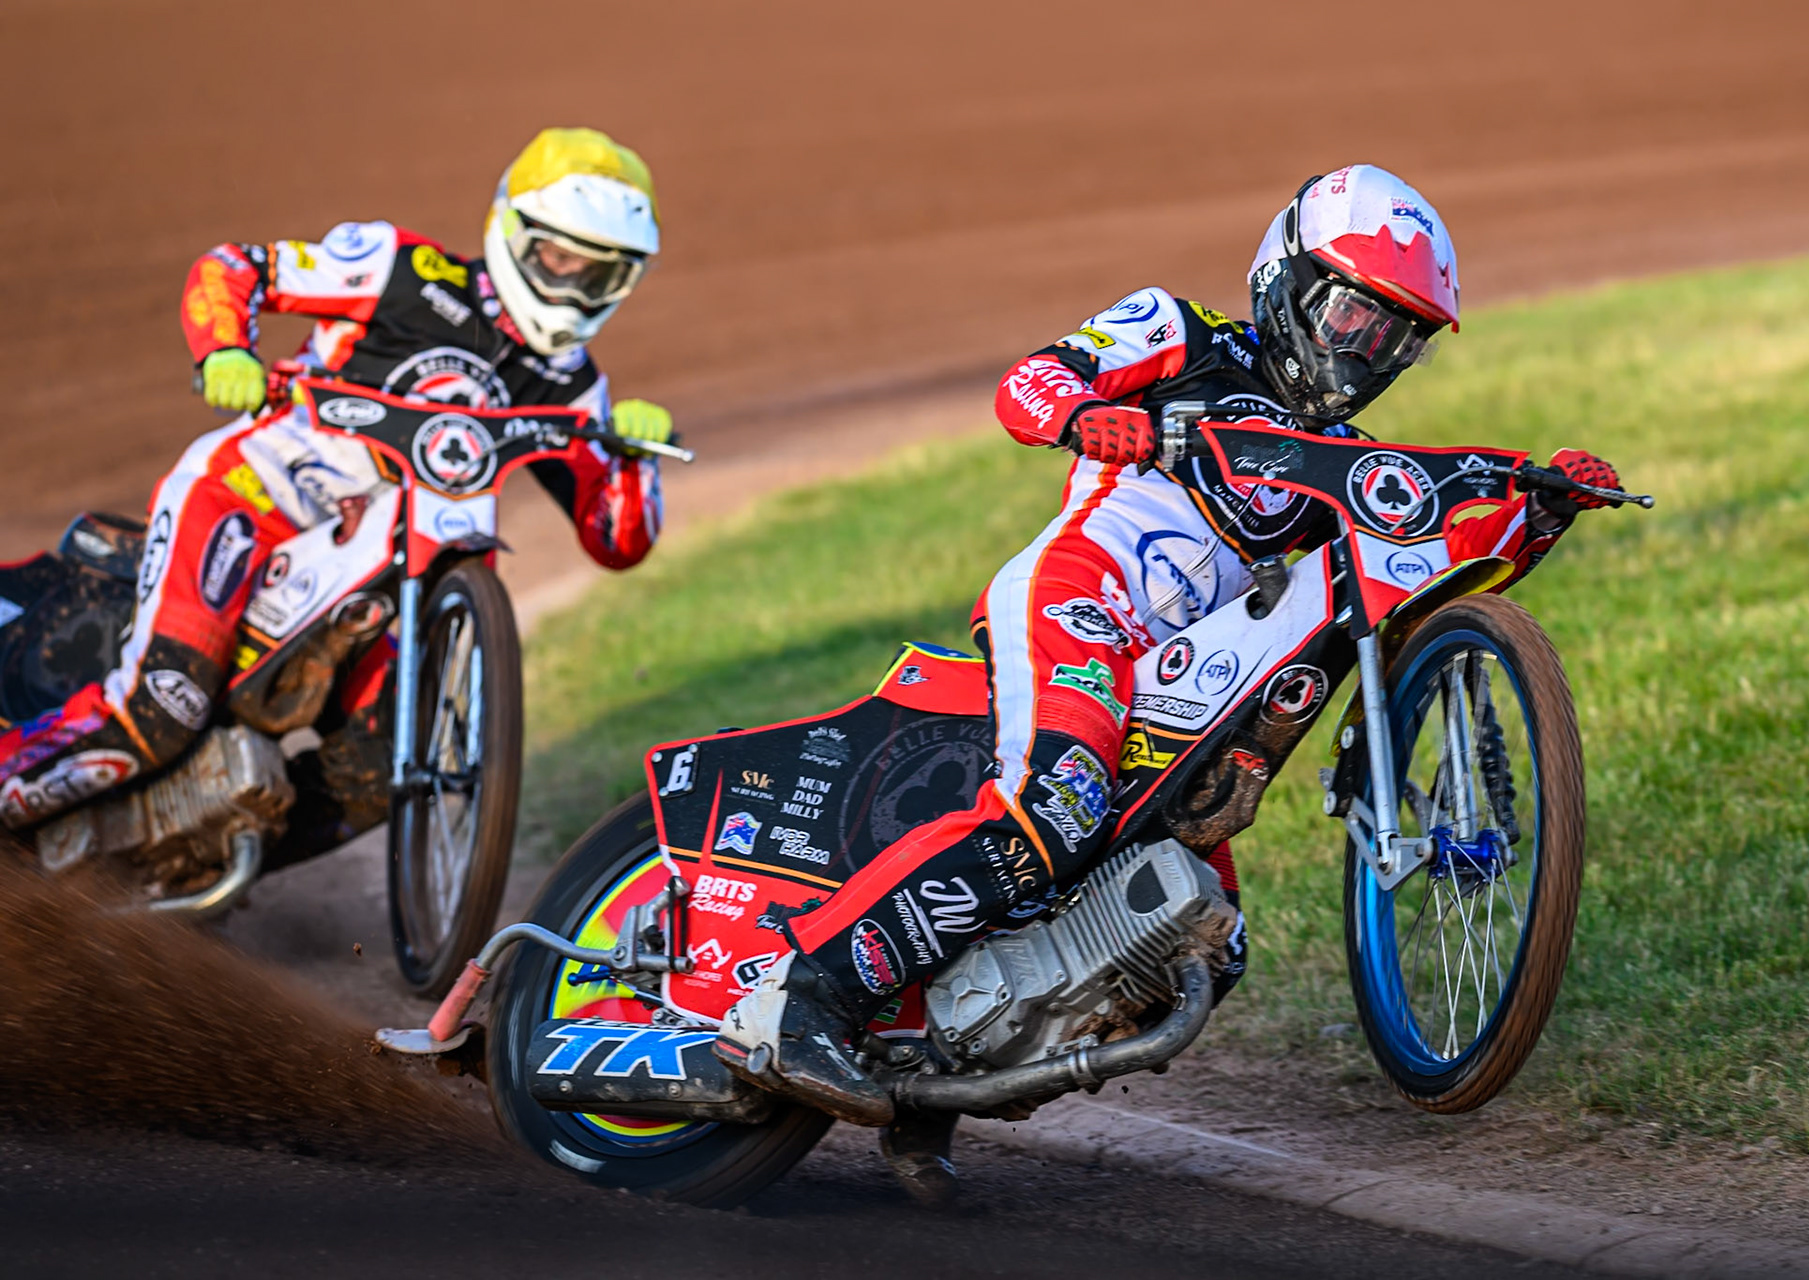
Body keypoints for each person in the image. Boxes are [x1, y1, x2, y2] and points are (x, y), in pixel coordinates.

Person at [713, 165, 1622, 1174]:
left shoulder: (1342, 460)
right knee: (1054, 806)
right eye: (1355, 315)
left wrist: (1539, 507)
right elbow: (1030, 382)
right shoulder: (1178, 331)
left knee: (1204, 938)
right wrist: (1087, 416)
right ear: (1289, 279)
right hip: (1076, 598)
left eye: (1396, 338)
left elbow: (1427, 567)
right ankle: (803, 998)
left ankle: (930, 1074)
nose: (1368, 353)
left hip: (1170, 685)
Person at [0, 127, 672, 842]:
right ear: (513, 230)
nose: (572, 284)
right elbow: (233, 267)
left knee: (385, 772)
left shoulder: (572, 385)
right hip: (248, 503)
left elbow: (615, 541)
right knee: (165, 707)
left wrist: (631, 458)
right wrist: (227, 350)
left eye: (597, 273)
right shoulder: (402, 268)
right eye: (558, 256)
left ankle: (198, 862)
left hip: (389, 585)